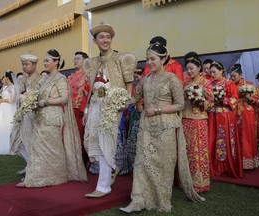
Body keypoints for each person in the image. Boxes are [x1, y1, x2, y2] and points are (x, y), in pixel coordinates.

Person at [120, 43, 204, 213]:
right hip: (146, 126)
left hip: (165, 126)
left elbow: (180, 105)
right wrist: (115, 99)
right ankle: (137, 200)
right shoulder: (145, 80)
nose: (149, 62)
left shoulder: (172, 79)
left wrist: (157, 109)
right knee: (142, 162)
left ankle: (161, 200)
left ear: (163, 59)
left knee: (163, 164)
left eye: (153, 59)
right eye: (147, 59)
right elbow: (134, 99)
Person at [16, 49, 87, 188]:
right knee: (38, 147)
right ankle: (35, 176)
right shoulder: (45, 78)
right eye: (44, 60)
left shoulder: (60, 78)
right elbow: (37, 95)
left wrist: (46, 102)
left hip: (53, 116)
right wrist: (30, 101)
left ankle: (57, 176)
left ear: (56, 62)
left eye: (47, 60)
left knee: (52, 148)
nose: (45, 63)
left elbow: (65, 98)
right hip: (40, 115)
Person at [83, 23, 136, 198]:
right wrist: (86, 111)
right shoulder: (91, 63)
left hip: (113, 107)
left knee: (107, 143)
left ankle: (103, 186)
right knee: (97, 143)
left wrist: (125, 103)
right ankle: (105, 181)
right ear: (95, 40)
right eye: (101, 37)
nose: (105, 40)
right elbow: (91, 90)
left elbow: (129, 85)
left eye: (108, 37)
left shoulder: (122, 58)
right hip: (96, 107)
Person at [183, 53, 213, 193]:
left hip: (199, 119)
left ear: (199, 68)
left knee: (199, 151)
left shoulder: (205, 82)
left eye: (191, 69)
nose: (189, 71)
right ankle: (186, 180)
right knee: (187, 150)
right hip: (185, 119)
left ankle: (200, 182)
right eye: (187, 69)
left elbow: (211, 102)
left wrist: (201, 101)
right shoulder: (185, 83)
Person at [208, 61, 243, 178]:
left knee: (223, 139)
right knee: (212, 138)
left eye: (214, 72)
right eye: (210, 72)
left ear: (221, 71)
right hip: (212, 115)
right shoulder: (210, 84)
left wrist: (223, 100)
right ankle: (212, 165)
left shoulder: (229, 83)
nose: (212, 74)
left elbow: (235, 99)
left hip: (225, 116)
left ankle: (225, 166)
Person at [10, 54, 41, 174]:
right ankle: (29, 164)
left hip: (34, 115)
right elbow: (18, 97)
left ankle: (34, 168)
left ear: (34, 65)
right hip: (22, 113)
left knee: (31, 141)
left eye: (26, 64)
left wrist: (28, 99)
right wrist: (21, 99)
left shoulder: (40, 79)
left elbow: (41, 97)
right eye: (23, 64)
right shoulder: (22, 79)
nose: (24, 67)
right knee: (17, 141)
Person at [230, 63, 259, 170]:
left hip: (247, 113)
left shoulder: (249, 84)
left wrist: (250, 98)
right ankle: (237, 161)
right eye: (231, 76)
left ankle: (248, 162)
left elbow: (256, 99)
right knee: (236, 136)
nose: (232, 78)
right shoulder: (231, 85)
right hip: (234, 113)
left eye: (234, 76)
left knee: (247, 137)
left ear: (240, 75)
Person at [68, 51, 90, 166]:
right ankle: (72, 161)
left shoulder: (87, 76)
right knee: (70, 136)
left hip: (80, 110)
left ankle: (82, 162)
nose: (75, 61)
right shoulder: (71, 77)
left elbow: (89, 94)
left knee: (80, 135)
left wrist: (84, 110)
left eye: (78, 59)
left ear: (85, 61)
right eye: (74, 59)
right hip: (69, 110)